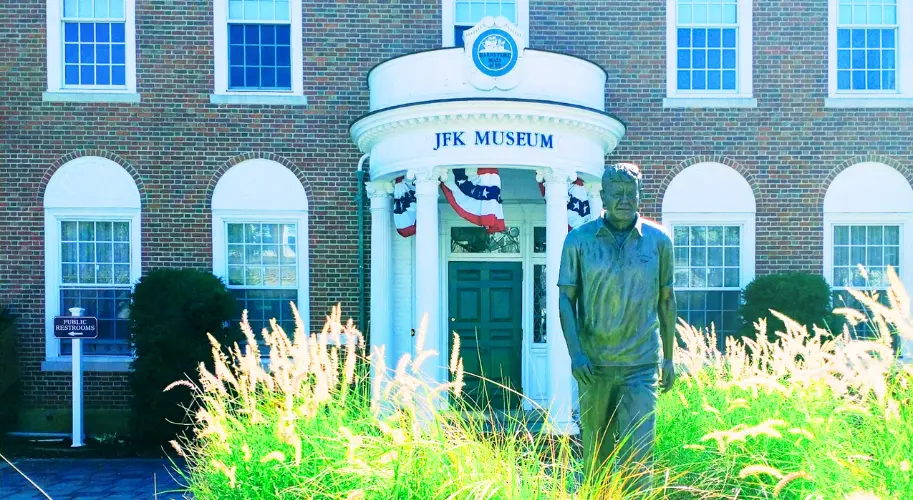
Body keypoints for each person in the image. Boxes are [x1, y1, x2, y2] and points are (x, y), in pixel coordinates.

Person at [557, 163, 677, 495]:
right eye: (617, 193)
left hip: (640, 365)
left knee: (639, 456)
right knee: (596, 458)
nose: (625, 200)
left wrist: (669, 358)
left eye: (631, 193)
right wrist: (576, 353)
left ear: (640, 196)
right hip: (593, 367)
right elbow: (566, 299)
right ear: (603, 196)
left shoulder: (659, 241)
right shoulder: (578, 240)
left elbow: (666, 301)